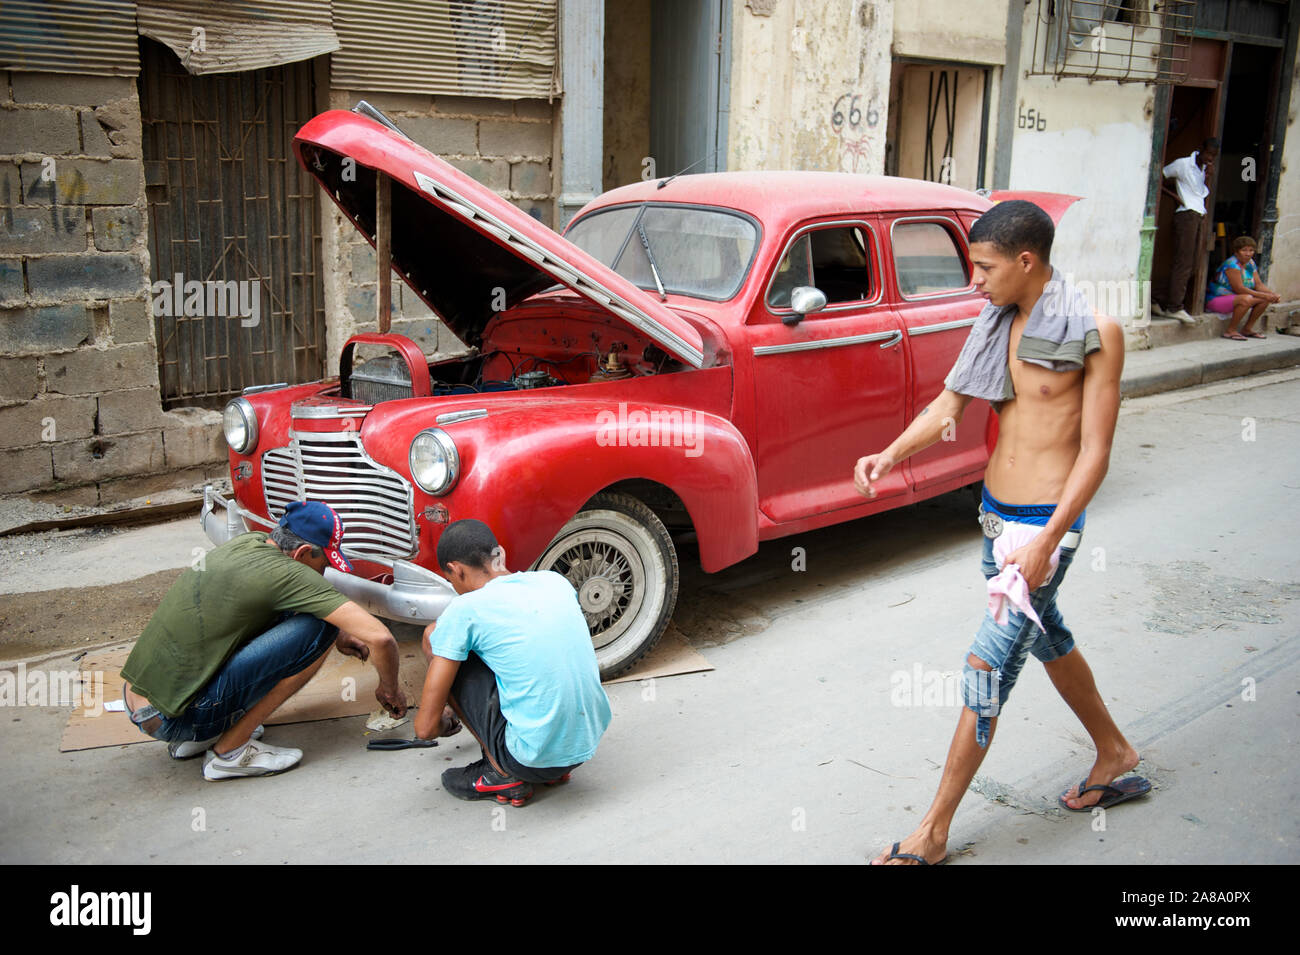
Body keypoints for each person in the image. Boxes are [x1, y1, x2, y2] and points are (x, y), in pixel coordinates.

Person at [854, 200, 1148, 865]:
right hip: (995, 517)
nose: (976, 282)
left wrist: (1048, 541)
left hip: (1045, 526)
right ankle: (1116, 750)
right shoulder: (996, 323)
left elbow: (1095, 452)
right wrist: (890, 454)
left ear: (1026, 260)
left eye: (985, 268)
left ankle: (932, 831)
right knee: (1049, 637)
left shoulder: (1095, 332)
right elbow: (949, 405)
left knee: (988, 665)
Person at [120, 500, 414, 781]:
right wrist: (389, 690)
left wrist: (342, 631)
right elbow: (380, 638)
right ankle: (230, 751)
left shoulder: (248, 544)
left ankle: (204, 733)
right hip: (176, 718)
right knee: (320, 628)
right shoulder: (289, 574)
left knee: (318, 620)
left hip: (141, 704)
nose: (324, 572)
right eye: (324, 563)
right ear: (301, 553)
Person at [414, 519, 612, 807]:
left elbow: (425, 729)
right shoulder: (554, 581)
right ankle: (551, 761)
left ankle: (500, 772)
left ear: (456, 570)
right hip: (584, 745)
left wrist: (445, 718)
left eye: (451, 580)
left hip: (528, 759)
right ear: (500, 554)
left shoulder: (466, 609)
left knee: (436, 636)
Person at [1153, 137, 1219, 324]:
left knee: (1193, 265)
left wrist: (1208, 177)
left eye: (1213, 156)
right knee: (1184, 264)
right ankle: (1174, 307)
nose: (1210, 158)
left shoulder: (1205, 170)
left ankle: (1155, 296)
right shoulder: (1182, 164)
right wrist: (1175, 196)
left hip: (1198, 216)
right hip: (1186, 215)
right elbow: (1158, 177)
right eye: (1208, 154)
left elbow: (1200, 194)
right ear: (1200, 150)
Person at [1206, 235, 1281, 340]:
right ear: (1236, 252)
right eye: (1244, 250)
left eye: (1251, 250)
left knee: (1264, 299)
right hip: (1216, 300)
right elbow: (1239, 289)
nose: (1248, 253)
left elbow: (1258, 284)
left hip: (1235, 299)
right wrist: (1265, 295)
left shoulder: (1250, 263)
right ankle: (1230, 331)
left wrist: (1272, 295)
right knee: (1246, 298)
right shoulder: (1232, 265)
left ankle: (1247, 329)